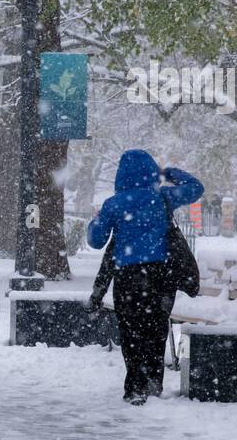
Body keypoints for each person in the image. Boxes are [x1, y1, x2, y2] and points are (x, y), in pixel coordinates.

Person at [87, 150, 203, 405]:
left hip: (127, 276)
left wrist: (97, 221)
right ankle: (153, 381)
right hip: (161, 275)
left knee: (131, 332)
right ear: (152, 172)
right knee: (156, 329)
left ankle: (135, 385)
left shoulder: (113, 204)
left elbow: (95, 241)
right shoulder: (163, 197)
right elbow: (196, 188)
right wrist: (170, 173)